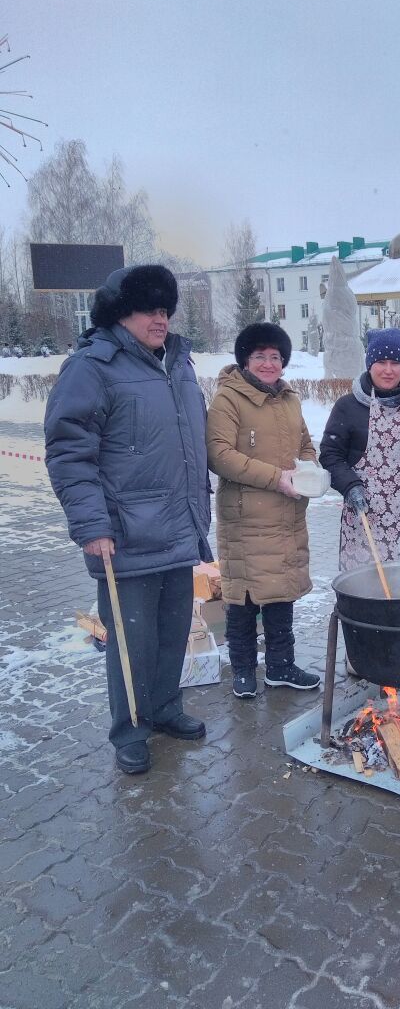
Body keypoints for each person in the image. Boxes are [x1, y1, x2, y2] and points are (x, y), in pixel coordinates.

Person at [44, 265, 212, 776]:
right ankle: (129, 729)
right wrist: (92, 525)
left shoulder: (178, 364)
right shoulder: (92, 367)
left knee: (171, 632)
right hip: (124, 535)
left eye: (165, 310)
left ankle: (163, 708)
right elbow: (70, 451)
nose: (160, 320)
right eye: (149, 310)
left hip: (178, 530)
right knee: (129, 641)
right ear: (121, 313)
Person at [206, 322, 320, 699]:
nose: (269, 363)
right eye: (260, 357)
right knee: (243, 597)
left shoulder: (289, 399)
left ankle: (281, 666)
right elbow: (219, 456)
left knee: (280, 591)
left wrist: (307, 471)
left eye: (275, 357)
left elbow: (305, 444)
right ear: (245, 360)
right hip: (247, 518)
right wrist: (278, 478)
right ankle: (243, 669)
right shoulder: (228, 399)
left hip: (286, 513)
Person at [319, 327, 400, 573]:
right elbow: (330, 455)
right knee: (369, 589)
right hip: (365, 518)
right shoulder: (347, 406)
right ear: (369, 364)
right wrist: (350, 486)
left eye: (395, 362)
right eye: (381, 362)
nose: (388, 370)